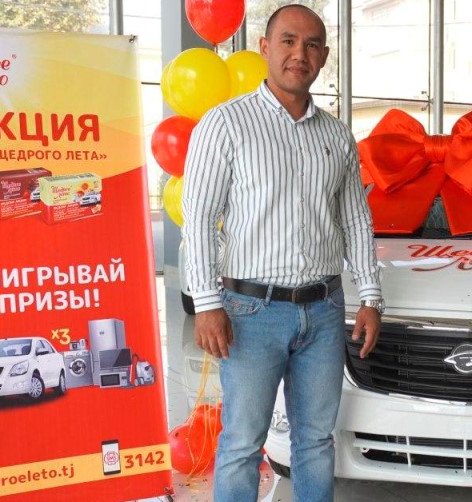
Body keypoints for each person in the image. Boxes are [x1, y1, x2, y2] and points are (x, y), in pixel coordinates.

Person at [181, 5, 383, 501]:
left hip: (324, 310)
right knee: (242, 443)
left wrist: (370, 296)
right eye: (288, 41)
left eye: (312, 45)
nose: (300, 54)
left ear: (324, 57)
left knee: (315, 440)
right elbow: (200, 217)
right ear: (265, 47)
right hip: (250, 313)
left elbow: (355, 220)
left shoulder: (337, 135)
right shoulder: (225, 124)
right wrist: (206, 304)